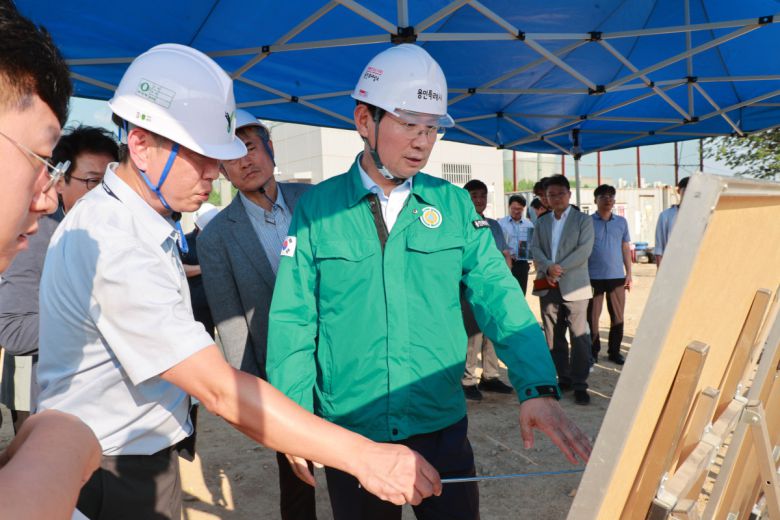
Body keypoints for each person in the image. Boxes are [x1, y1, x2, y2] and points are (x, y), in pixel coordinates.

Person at [35, 43, 441, 520]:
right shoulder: (113, 240)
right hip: (112, 466)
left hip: (127, 455)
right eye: (201, 157)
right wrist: (365, 456)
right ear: (141, 145)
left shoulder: (136, 220)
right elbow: (219, 388)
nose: (215, 174)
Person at [267, 44, 591, 520]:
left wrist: (536, 387)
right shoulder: (319, 209)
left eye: (431, 128)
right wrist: (293, 422)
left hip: (440, 423)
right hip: (353, 429)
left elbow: (498, 294)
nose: (422, 141)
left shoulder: (454, 206)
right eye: (408, 125)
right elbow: (295, 317)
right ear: (364, 121)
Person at [0, 2, 100, 517]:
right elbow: (14, 331)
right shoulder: (36, 233)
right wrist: (57, 443)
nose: (41, 196)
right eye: (42, 159)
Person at [198, 109, 316, 520]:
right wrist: (253, 395)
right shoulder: (216, 237)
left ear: (270, 149)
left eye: (249, 148)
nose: (245, 161)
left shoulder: (312, 202)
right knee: (298, 480)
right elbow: (231, 323)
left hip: (342, 364)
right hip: (280, 375)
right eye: (231, 156)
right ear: (222, 170)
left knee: (354, 473)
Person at [0, 125, 117, 434]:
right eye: (92, 181)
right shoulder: (37, 235)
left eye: (112, 182)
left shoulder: (114, 233)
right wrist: (100, 312)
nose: (105, 192)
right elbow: (14, 331)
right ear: (60, 181)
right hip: (44, 403)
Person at [530, 174, 595, 405]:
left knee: (580, 338)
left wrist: (559, 268)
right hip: (549, 285)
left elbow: (584, 251)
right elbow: (535, 248)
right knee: (553, 336)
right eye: (551, 195)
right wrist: (549, 267)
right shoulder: (542, 222)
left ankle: (580, 383)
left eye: (560, 193)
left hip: (575, 285)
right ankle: (563, 377)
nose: (556, 198)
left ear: (569, 194)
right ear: (545, 198)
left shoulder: (583, 220)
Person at [460, 179, 513, 401]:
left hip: (493, 288)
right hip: (469, 287)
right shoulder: (459, 224)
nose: (479, 200)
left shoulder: (494, 225)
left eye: (482, 196)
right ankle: (467, 379)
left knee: (492, 333)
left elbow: (503, 254)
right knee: (473, 335)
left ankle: (490, 376)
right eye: (474, 196)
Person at [587, 184, 631, 366]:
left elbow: (625, 247)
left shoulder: (621, 222)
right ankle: (593, 351)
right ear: (595, 200)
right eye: (603, 196)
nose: (608, 200)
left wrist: (629, 272)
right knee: (591, 317)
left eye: (611, 196)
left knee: (618, 316)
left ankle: (614, 351)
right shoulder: (587, 222)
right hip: (592, 276)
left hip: (616, 276)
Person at [180, 202, 220, 338]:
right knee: (206, 338)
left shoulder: (221, 240)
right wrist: (205, 267)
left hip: (221, 300)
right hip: (198, 304)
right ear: (197, 225)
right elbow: (180, 269)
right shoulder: (185, 243)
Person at [499, 194, 535, 294]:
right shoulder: (501, 224)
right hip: (505, 262)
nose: (516, 211)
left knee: (521, 291)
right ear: (509, 207)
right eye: (513, 208)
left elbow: (532, 244)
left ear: (523, 209)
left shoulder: (529, 224)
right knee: (506, 291)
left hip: (522, 264)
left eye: (519, 209)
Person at [654, 176, 690, 269]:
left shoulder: (701, 216)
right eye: (686, 189)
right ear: (679, 191)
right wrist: (660, 273)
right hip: (671, 268)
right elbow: (659, 248)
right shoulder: (666, 216)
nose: (689, 193)